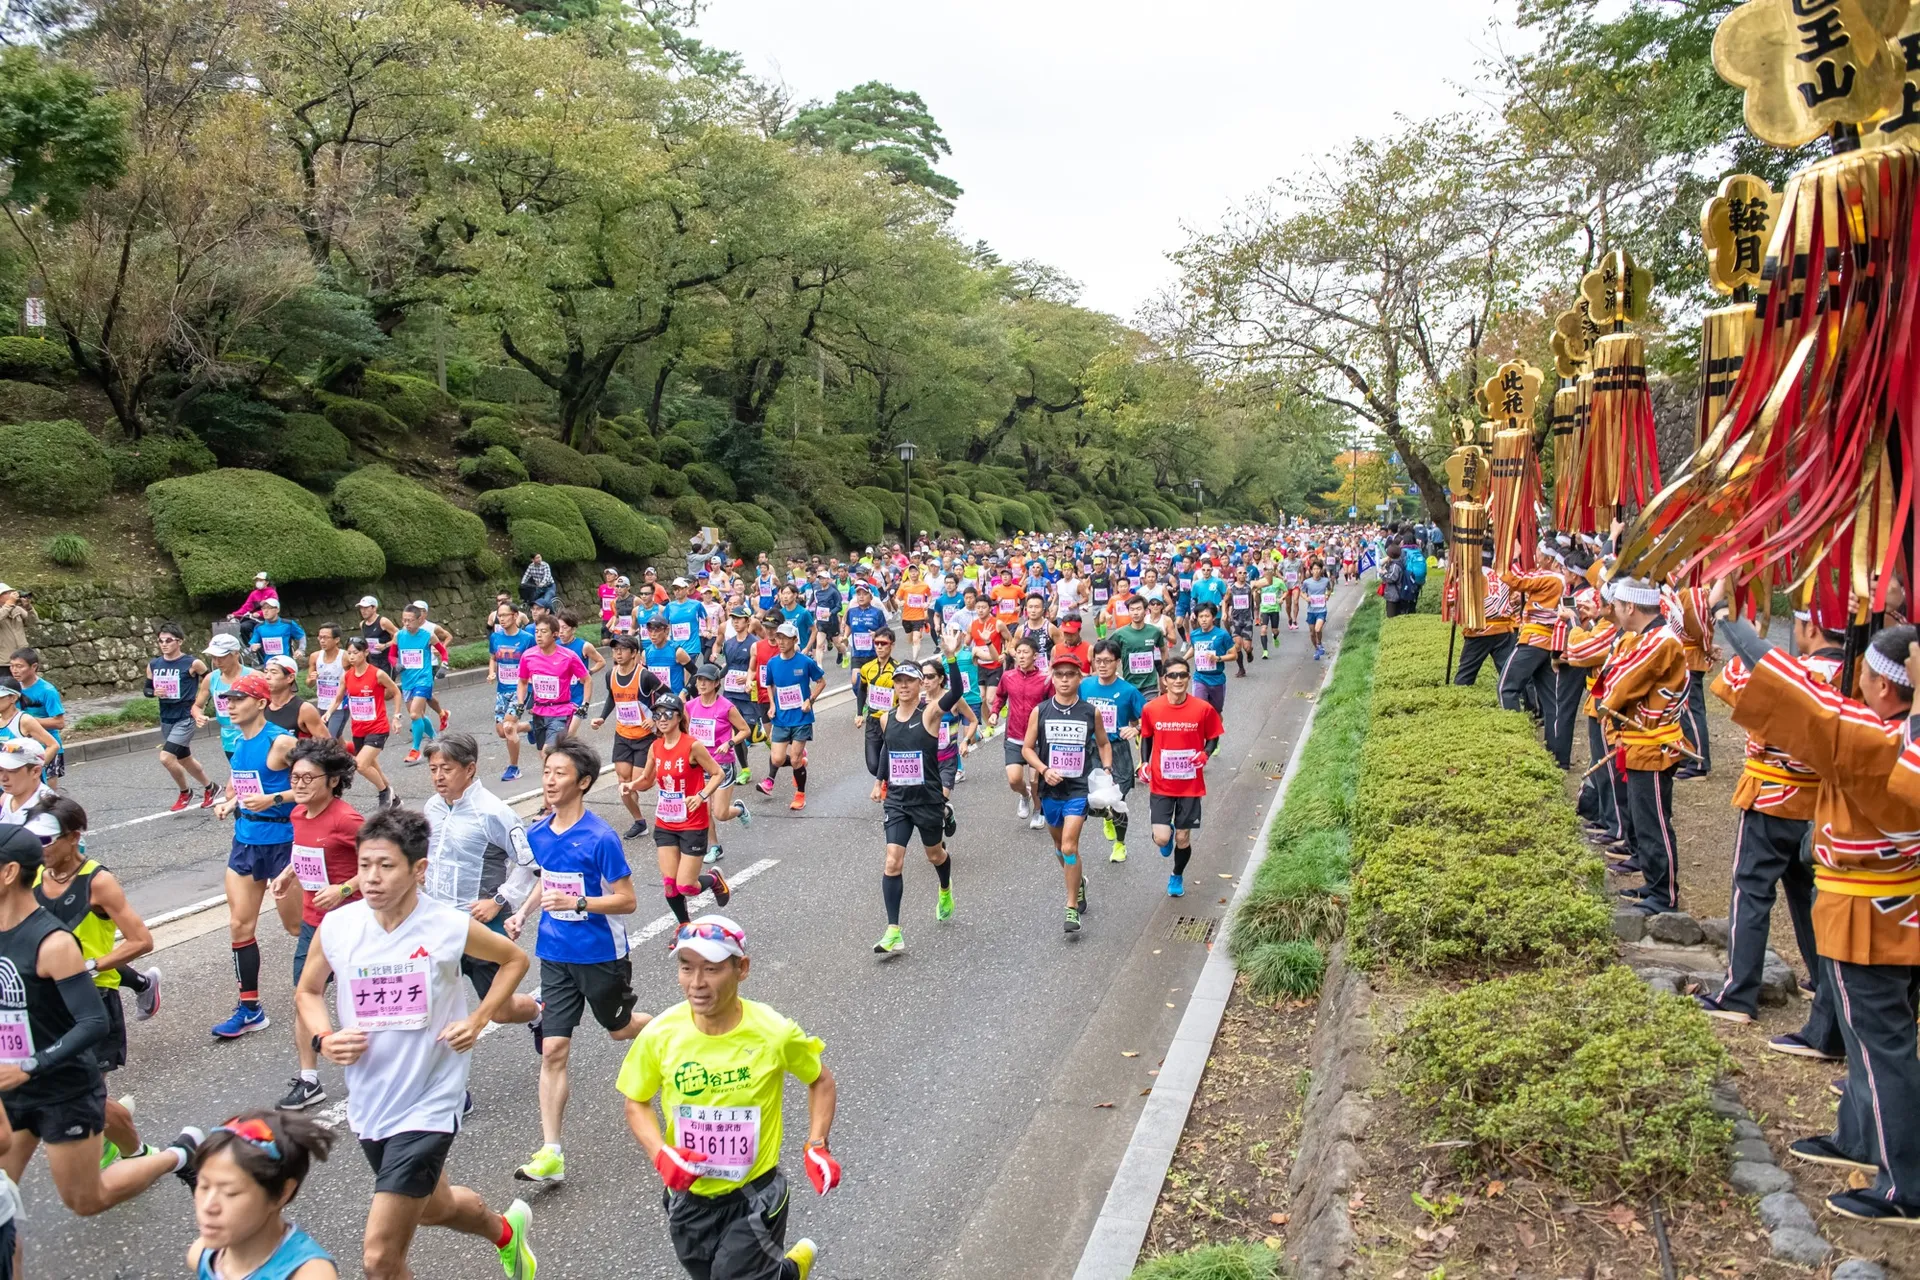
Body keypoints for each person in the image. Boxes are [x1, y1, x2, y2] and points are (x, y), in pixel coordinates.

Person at [1709, 605, 1920, 1226]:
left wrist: (1727, 615)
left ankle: (1905, 1184)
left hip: (1872, 916)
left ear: (1882, 684)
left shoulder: (1877, 739)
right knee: (1869, 1040)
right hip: (1889, 908)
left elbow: (1794, 693)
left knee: (1882, 1047)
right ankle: (1858, 1137)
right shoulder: (1899, 736)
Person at [298, 807, 539, 1278]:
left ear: (418, 869)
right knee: (433, 1206)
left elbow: (514, 960)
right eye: (365, 865)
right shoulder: (339, 927)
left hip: (431, 1099)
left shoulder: (446, 925)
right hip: (370, 1099)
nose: (371, 878)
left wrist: (478, 1019)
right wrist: (323, 1037)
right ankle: (506, 1232)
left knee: (380, 1259)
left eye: (386, 866)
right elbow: (307, 991)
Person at [0, 823, 199, 1218]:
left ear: (8, 873)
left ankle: (179, 1155)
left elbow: (93, 1022)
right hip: (11, 1086)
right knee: (2, 1202)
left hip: (61, 1087)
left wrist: (30, 1066)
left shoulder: (52, 942)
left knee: (85, 1200)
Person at [618, 914, 833, 1280]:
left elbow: (820, 1081)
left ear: (741, 968)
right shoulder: (660, 1034)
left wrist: (816, 1144)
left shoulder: (774, 1033)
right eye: (687, 968)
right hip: (687, 1198)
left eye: (712, 969)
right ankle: (788, 1272)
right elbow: (636, 1101)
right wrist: (660, 1153)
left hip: (754, 1196)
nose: (696, 983)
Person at [506, 740, 649, 1188]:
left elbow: (627, 901)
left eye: (559, 773)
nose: (549, 780)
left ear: (583, 782)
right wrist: (523, 912)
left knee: (620, 1030)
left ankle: (673, 1028)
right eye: (546, 771)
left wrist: (579, 901)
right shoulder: (539, 832)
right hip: (554, 954)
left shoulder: (601, 837)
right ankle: (552, 1151)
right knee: (553, 1049)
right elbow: (544, 877)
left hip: (601, 955)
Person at [1695, 603, 1841, 1025]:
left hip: (1773, 795)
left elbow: (1731, 684)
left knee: (1752, 891)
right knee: (1810, 897)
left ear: (1809, 627)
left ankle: (1739, 995)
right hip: (1823, 806)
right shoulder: (1854, 678)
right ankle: (1824, 983)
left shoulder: (1788, 673)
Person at [25, 797, 159, 1164]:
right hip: (45, 1000)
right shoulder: (34, 872)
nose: (39, 848)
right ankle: (111, 1137)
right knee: (58, 1084)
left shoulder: (98, 882)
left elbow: (141, 940)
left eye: (47, 840)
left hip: (92, 997)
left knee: (89, 1092)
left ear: (73, 837)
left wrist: (89, 965)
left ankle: (137, 1152)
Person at [264, 737, 366, 1111]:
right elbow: (304, 849)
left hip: (355, 923)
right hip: (313, 924)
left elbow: (383, 857)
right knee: (304, 997)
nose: (300, 784)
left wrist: (343, 889)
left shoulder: (346, 819)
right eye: (295, 777)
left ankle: (378, 1069)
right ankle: (309, 1079)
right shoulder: (297, 814)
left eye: (309, 778)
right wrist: (288, 873)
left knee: (363, 1001)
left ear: (333, 780)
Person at [1594, 577, 1692, 916]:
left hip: (1653, 745)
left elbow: (1617, 685)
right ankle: (1654, 883)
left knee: (1654, 821)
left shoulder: (1659, 642)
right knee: (1644, 817)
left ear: (1630, 607)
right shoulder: (1646, 638)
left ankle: (1664, 895)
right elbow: (1614, 676)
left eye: (1617, 607)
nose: (1615, 612)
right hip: (1639, 744)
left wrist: (1614, 683)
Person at [210, 673, 298, 1040]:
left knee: (297, 927)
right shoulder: (237, 742)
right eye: (227, 699)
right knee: (238, 925)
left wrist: (274, 800)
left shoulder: (281, 742)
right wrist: (230, 801)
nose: (229, 705)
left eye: (238, 699)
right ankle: (250, 1009)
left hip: (284, 842)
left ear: (261, 703)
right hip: (246, 841)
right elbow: (247, 784)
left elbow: (324, 779)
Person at [872, 639, 965, 955]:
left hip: (927, 799)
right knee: (892, 861)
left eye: (910, 681)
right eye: (899, 681)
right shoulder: (886, 718)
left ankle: (945, 888)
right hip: (898, 801)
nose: (903, 686)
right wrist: (879, 781)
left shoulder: (929, 715)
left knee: (935, 856)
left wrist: (951, 657)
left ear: (920, 685)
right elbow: (888, 748)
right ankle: (893, 930)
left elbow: (955, 694)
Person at [623, 693, 738, 928]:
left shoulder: (692, 746)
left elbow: (718, 773)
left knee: (686, 885)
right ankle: (684, 926)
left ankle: (714, 880)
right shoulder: (655, 747)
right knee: (669, 884)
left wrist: (701, 795)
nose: (661, 719)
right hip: (665, 822)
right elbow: (647, 780)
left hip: (692, 823)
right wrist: (631, 786)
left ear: (678, 717)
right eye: (657, 714)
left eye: (667, 713)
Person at [185, 1110, 338, 1280]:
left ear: (282, 1192)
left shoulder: (310, 1274)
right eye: (203, 1186)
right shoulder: (204, 1256)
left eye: (230, 1193)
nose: (208, 1206)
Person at [1022, 649, 1113, 933]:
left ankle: (1071, 907)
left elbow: (1103, 744)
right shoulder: (1041, 711)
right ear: (1052, 676)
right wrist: (1044, 770)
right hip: (1050, 791)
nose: (1064, 680)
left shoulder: (1090, 711)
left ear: (1079, 677)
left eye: (1070, 675)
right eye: (1059, 674)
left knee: (1070, 846)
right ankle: (1079, 882)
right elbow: (1027, 748)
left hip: (1077, 789)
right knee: (1059, 848)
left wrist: (1107, 771)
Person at [1139, 656, 1225, 898]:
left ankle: (1177, 874)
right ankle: (1164, 831)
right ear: (1164, 681)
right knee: (1161, 838)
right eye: (1172, 676)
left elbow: (1213, 736)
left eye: (1183, 675)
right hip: (1162, 783)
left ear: (1189, 678)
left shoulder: (1203, 708)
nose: (1178, 679)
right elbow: (1146, 737)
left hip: (1190, 784)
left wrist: (1205, 753)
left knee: (1183, 838)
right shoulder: (1151, 708)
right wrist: (1144, 763)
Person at [594, 634, 671, 839]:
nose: (617, 653)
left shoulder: (644, 676)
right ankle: (639, 822)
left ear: (634, 653)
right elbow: (613, 697)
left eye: (622, 649)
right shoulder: (610, 675)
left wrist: (655, 718)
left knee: (641, 783)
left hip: (645, 736)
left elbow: (668, 695)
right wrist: (602, 718)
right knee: (623, 783)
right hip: (623, 734)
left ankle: (654, 778)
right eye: (615, 649)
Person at [1082, 640, 1146, 863]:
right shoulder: (1085, 686)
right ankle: (1104, 814)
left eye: (1107, 661)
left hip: (1117, 750)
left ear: (1118, 662)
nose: (1102, 665)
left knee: (1118, 800)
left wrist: (1135, 728)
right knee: (1087, 800)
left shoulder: (1128, 691)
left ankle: (1120, 844)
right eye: (1098, 661)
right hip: (1089, 749)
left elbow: (1148, 720)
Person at [755, 622, 823, 812]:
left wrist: (810, 699)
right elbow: (768, 684)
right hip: (781, 718)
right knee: (776, 759)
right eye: (779, 638)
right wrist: (772, 704)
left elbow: (821, 682)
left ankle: (800, 794)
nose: (781, 642)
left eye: (785, 638)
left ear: (794, 640)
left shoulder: (805, 662)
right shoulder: (773, 663)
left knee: (794, 759)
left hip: (801, 717)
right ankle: (800, 761)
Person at [149, 623, 216, 810]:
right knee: (184, 759)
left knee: (166, 758)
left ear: (179, 641)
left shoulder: (192, 663)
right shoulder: (154, 664)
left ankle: (185, 792)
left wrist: (201, 704)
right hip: (166, 717)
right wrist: (154, 691)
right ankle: (211, 788)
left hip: (185, 717)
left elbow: (211, 680)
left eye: (168, 640)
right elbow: (147, 689)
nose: (164, 644)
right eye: (160, 641)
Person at [987, 638, 1051, 829]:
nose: (1021, 656)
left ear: (1035, 656)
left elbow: (1052, 705)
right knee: (1015, 780)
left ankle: (1038, 811)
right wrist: (994, 713)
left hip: (1038, 738)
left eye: (1025, 652)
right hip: (1014, 735)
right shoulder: (1008, 677)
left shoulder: (1045, 679)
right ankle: (1025, 795)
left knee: (1035, 779)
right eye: (1019, 652)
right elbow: (1000, 696)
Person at [340, 637, 403, 810]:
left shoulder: (377, 674)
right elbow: (340, 698)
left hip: (378, 727)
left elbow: (396, 691)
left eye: (356, 652)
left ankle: (384, 792)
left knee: (360, 764)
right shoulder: (346, 676)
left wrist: (396, 716)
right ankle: (395, 799)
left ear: (366, 653)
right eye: (349, 653)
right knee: (374, 767)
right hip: (359, 729)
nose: (352, 656)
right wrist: (330, 713)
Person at [515, 617, 591, 757]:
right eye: (537, 631)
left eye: (544, 631)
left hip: (560, 712)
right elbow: (522, 681)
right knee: (544, 757)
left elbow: (586, 679)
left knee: (547, 752)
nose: (539, 635)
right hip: (539, 712)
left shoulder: (568, 656)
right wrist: (520, 702)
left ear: (555, 634)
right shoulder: (528, 656)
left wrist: (585, 704)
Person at [392, 604, 452, 766]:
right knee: (418, 715)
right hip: (407, 681)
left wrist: (444, 666)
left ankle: (416, 750)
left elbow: (443, 651)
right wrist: (396, 663)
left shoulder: (428, 636)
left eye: (410, 620)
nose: (406, 623)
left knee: (413, 715)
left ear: (419, 620)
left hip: (424, 679)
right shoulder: (399, 636)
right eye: (404, 620)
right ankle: (436, 740)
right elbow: (391, 655)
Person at [488, 602, 535, 784]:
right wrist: (491, 672)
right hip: (502, 690)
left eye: (505, 615)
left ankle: (514, 768)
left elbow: (534, 661)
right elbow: (493, 658)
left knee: (508, 727)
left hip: (521, 689)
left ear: (515, 616)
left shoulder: (527, 639)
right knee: (502, 731)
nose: (502, 619)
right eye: (499, 616)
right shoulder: (495, 637)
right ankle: (531, 726)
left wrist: (531, 681)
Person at [7, 651, 63, 788]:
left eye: (19, 666)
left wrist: (28, 721)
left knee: (47, 794)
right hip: (21, 748)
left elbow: (59, 722)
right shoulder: (13, 689)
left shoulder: (47, 691)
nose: (14, 670)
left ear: (34, 667)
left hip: (47, 748)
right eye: (12, 666)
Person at [263, 657, 330, 741]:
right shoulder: (260, 705)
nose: (267, 677)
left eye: (274, 672)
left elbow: (328, 744)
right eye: (265, 672)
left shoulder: (304, 709)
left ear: (290, 678)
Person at [1186, 603, 1232, 717]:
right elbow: (1194, 648)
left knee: (1216, 713)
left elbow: (1234, 654)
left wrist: (1218, 658)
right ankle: (1202, 734)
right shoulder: (1194, 635)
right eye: (1201, 616)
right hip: (1200, 677)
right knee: (1199, 711)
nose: (1203, 620)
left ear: (1213, 617)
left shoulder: (1222, 635)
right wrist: (1183, 659)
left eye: (1207, 616)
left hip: (1217, 679)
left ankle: (1215, 734)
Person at [309, 623, 349, 742]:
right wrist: (311, 679)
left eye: (326, 637)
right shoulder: (315, 657)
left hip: (340, 706)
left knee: (329, 740)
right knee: (331, 738)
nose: (322, 641)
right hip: (322, 704)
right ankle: (349, 758)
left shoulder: (346, 657)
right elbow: (309, 684)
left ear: (336, 639)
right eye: (320, 637)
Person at [0, 741, 53, 826]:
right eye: (0, 770)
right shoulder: (5, 798)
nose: (3, 778)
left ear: (35, 771)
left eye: (11, 771)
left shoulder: (49, 809)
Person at [248, 600, 307, 668]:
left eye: (269, 608)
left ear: (277, 610)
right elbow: (252, 644)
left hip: (286, 663)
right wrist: (253, 647)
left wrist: (301, 649)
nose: (265, 611)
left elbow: (301, 636)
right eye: (263, 608)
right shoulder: (259, 627)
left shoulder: (288, 624)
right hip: (268, 664)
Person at [354, 598, 398, 679]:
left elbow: (400, 636)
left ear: (374, 608)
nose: (363, 611)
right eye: (361, 608)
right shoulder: (362, 624)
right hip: (371, 661)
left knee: (387, 688)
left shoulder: (383, 621)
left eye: (366, 608)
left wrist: (385, 645)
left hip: (386, 661)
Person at [1301, 562, 1332, 660]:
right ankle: (1316, 648)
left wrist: (1327, 595)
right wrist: (1306, 598)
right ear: (1311, 570)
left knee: (1317, 629)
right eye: (1314, 569)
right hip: (1311, 611)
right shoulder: (1307, 582)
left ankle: (1319, 643)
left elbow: (1329, 589)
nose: (1316, 571)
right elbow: (1302, 592)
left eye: (1318, 569)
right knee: (1311, 633)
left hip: (1322, 609)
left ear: (1321, 570)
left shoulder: (1325, 581)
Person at [0, 587, 30, 662]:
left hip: (22, 658)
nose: (12, 595)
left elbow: (32, 622)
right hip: (3, 661)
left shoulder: (17, 609)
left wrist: (28, 608)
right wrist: (9, 604)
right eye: (8, 593)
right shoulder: (7, 608)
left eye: (12, 592)